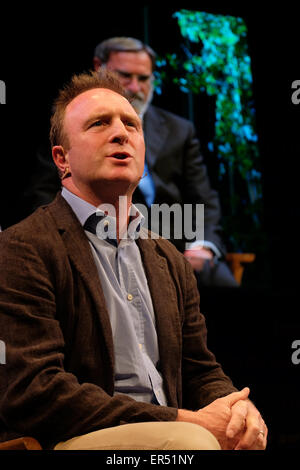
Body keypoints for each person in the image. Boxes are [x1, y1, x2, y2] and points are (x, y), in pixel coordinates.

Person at [0, 70, 267, 450]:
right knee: (191, 444)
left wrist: (240, 409)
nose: (120, 133)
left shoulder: (168, 259)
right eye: (98, 124)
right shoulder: (24, 248)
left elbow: (199, 369)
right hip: (68, 439)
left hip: (176, 432)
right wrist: (183, 420)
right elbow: (33, 391)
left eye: (131, 125)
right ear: (62, 159)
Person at [23, 37, 237, 287]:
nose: (135, 87)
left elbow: (204, 200)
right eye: (125, 76)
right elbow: (42, 193)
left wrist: (203, 246)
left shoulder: (179, 130)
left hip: (174, 247)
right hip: (96, 237)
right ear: (98, 68)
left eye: (144, 78)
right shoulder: (70, 122)